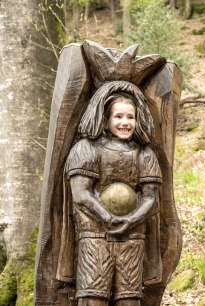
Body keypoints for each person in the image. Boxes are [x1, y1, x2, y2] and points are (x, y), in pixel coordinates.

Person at [58, 81, 162, 306]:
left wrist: (130, 220)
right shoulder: (87, 149)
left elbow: (151, 199)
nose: (125, 123)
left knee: (130, 298)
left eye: (130, 117)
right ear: (105, 120)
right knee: (92, 296)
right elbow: (81, 195)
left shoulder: (144, 154)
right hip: (94, 236)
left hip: (132, 237)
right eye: (118, 117)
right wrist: (108, 217)